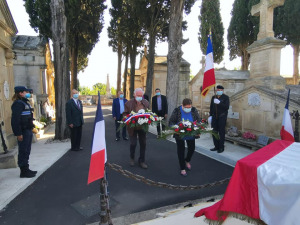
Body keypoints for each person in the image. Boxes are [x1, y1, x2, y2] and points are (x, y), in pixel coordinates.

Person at [169, 98, 201, 177]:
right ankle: (182, 168)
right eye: (186, 107)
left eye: (189, 107)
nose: (188, 109)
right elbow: (171, 122)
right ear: (182, 106)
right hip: (180, 133)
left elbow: (198, 120)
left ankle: (187, 160)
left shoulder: (193, 110)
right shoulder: (177, 110)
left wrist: (198, 130)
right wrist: (175, 128)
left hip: (191, 133)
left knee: (192, 149)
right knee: (181, 150)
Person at [11, 86, 37, 178]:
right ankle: (23, 171)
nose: (27, 93)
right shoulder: (18, 104)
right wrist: (18, 133)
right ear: (20, 93)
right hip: (23, 131)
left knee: (27, 150)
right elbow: (15, 120)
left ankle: (26, 168)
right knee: (23, 150)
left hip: (27, 130)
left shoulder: (24, 102)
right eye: (25, 92)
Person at [124, 88, 150, 169]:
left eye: (141, 95)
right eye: (138, 95)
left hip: (142, 126)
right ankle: (132, 158)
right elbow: (125, 114)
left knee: (143, 144)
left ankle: (142, 161)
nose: (139, 97)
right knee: (133, 143)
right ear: (134, 95)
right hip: (133, 127)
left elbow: (149, 112)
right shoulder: (128, 103)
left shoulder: (145, 102)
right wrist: (129, 119)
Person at [209, 85, 230, 153]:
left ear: (222, 91)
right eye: (218, 90)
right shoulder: (213, 97)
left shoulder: (226, 97)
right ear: (216, 91)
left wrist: (219, 102)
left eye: (221, 90)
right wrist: (210, 115)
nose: (219, 91)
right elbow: (211, 107)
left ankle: (221, 147)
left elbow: (226, 107)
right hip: (214, 117)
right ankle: (216, 146)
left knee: (221, 132)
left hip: (222, 117)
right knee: (214, 132)